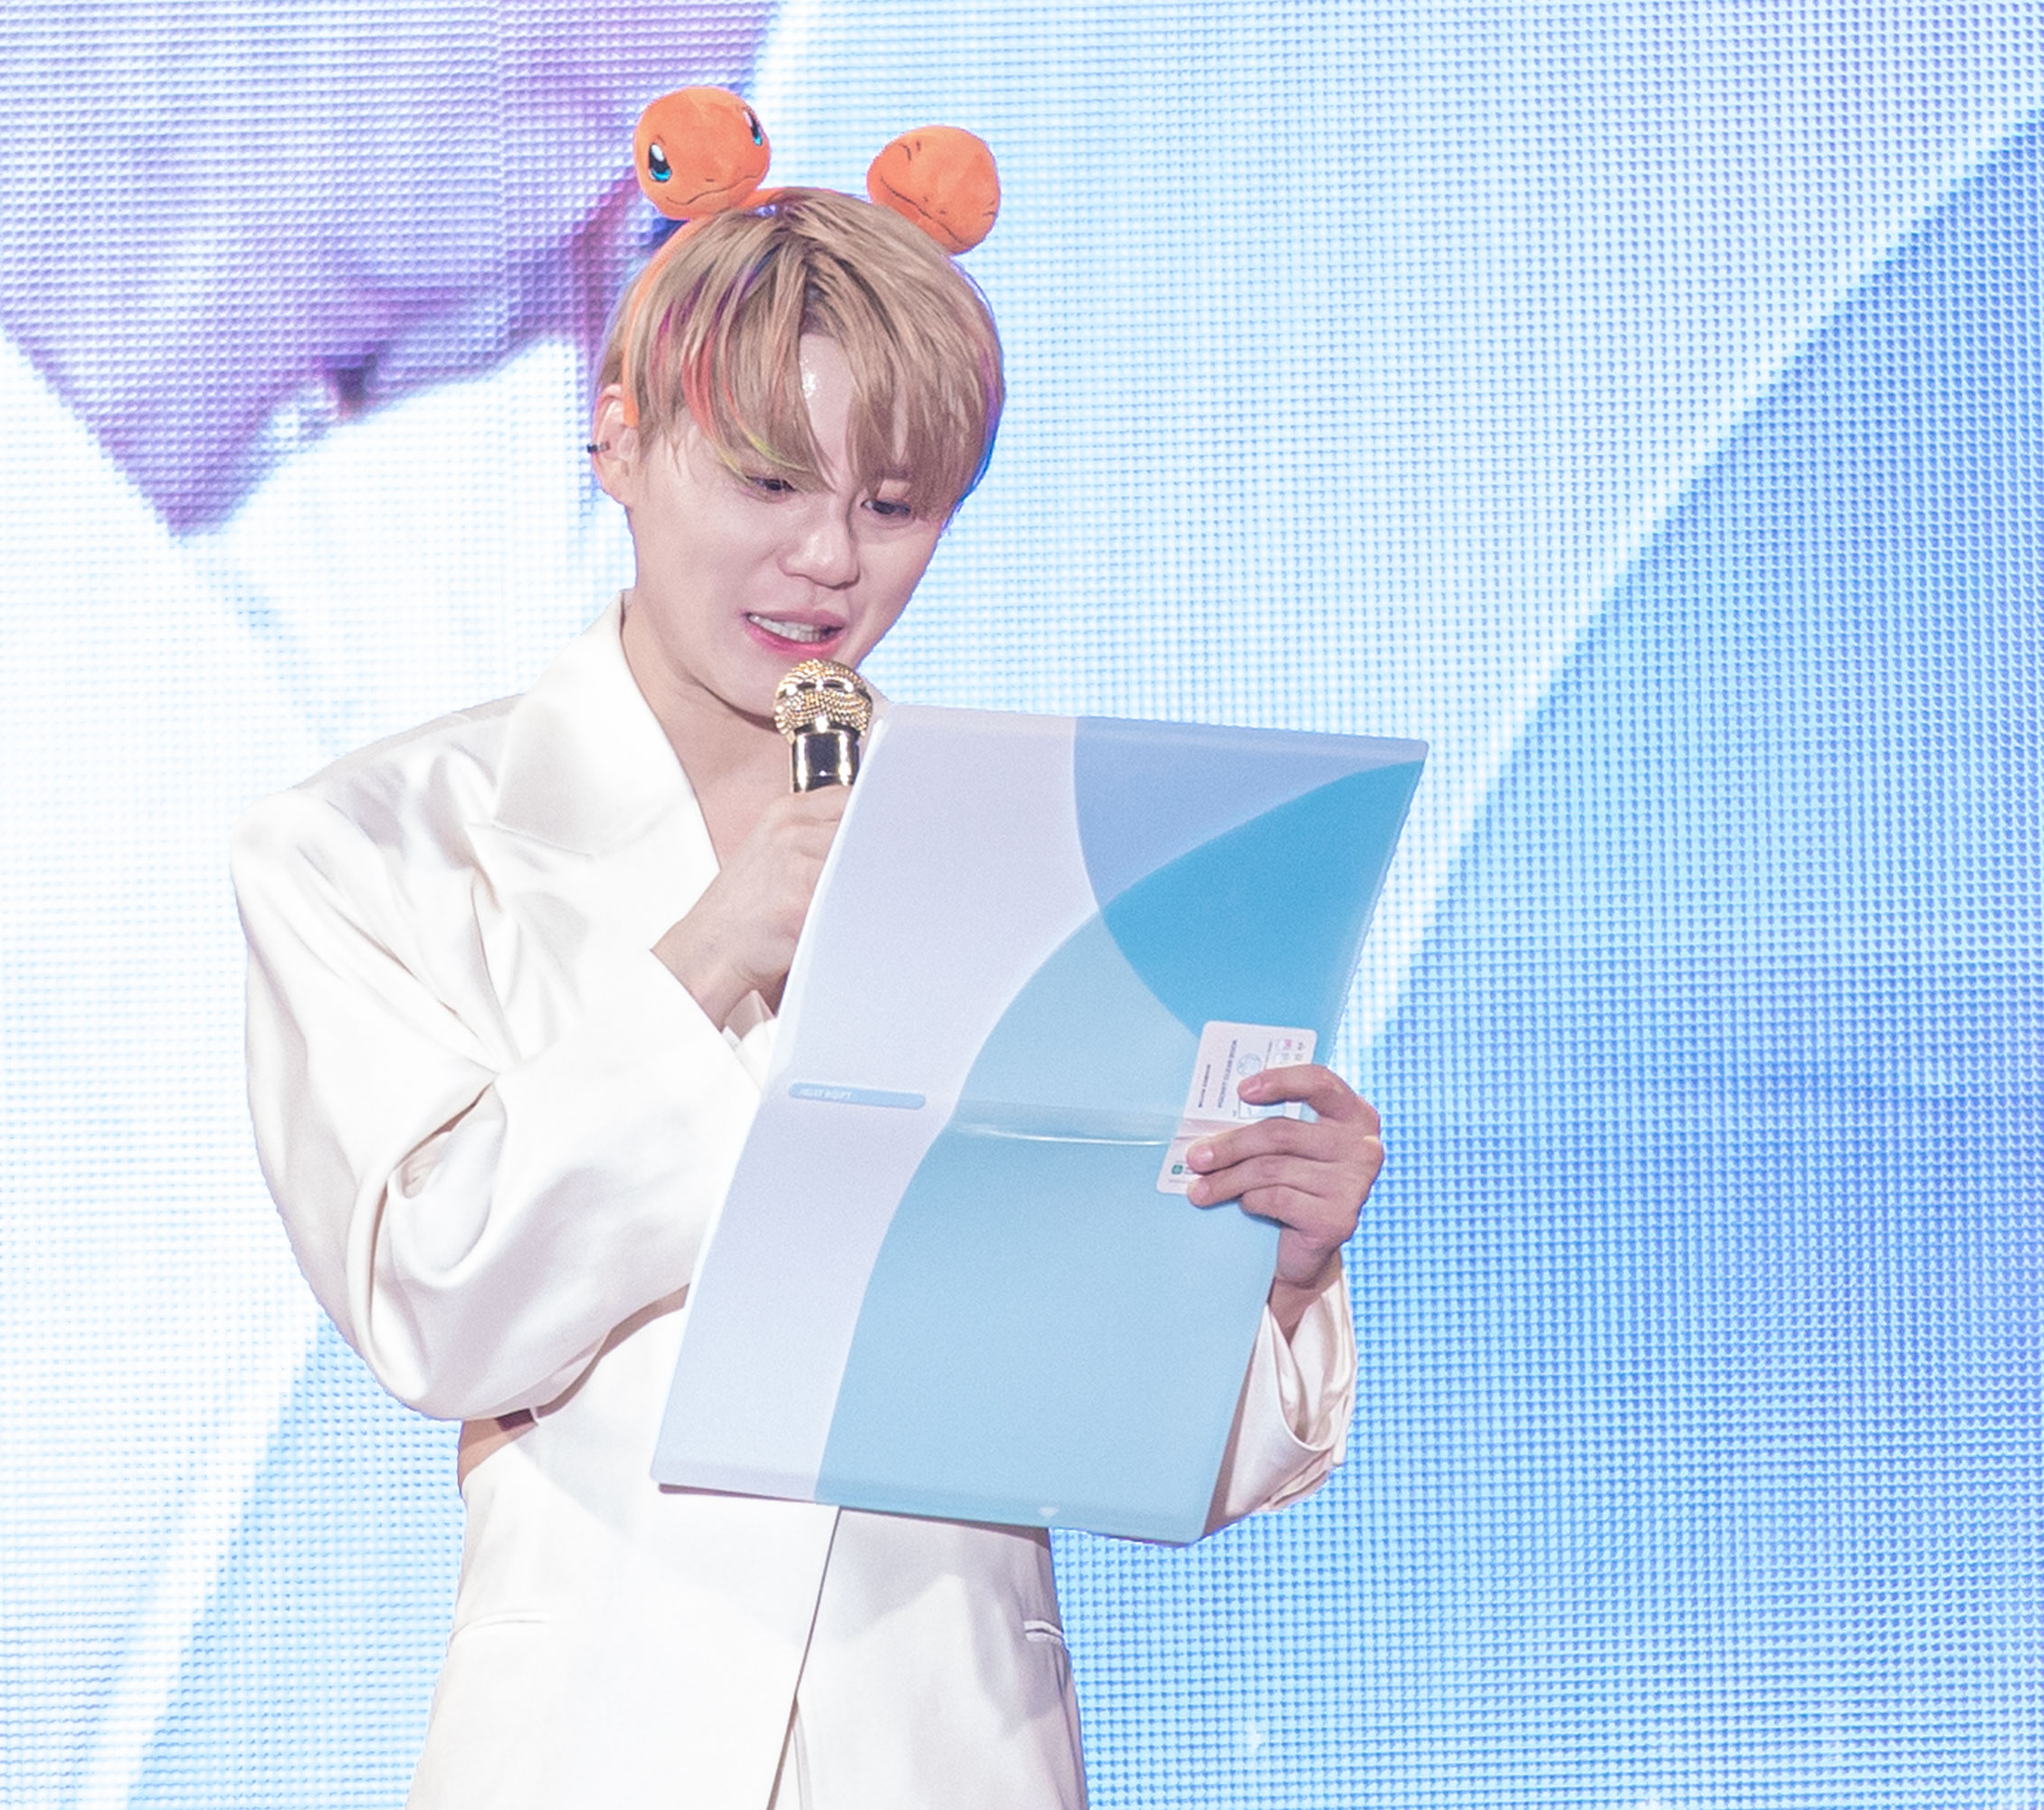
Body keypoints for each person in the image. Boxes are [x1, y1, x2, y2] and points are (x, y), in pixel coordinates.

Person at [232, 186, 1384, 1810]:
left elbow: (1144, 1439)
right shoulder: (379, 846)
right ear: (618, 435)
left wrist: (1275, 1265)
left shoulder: (1032, 852)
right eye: (767, 480)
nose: (829, 559)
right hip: (588, 1751)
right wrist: (714, 952)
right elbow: (436, 1304)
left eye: (893, 504)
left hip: (953, 1749)